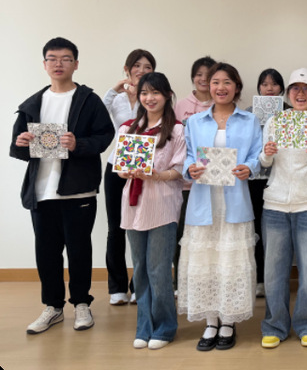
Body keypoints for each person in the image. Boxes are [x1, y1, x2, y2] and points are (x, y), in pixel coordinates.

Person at [11, 37, 114, 334]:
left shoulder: (88, 100)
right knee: (46, 252)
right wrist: (21, 143)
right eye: (52, 59)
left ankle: (81, 304)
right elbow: (17, 147)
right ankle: (53, 307)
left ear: (76, 64)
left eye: (66, 59)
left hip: (78, 189)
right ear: (44, 64)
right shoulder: (32, 104)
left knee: (79, 250)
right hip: (41, 191)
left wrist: (78, 144)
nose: (59, 64)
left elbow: (105, 136)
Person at [180, 62, 262, 351]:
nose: (220, 87)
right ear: (207, 86)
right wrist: (190, 169)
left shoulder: (249, 121)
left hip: (235, 200)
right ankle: (210, 321)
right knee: (205, 262)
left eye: (227, 82)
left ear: (236, 87)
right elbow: (187, 156)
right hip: (203, 200)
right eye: (215, 82)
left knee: (231, 262)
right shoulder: (195, 121)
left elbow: (257, 156)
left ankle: (228, 321)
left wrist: (249, 168)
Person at [259, 68, 307, 349]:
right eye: (295, 88)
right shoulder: (274, 121)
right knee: (273, 271)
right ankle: (274, 325)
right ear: (288, 93)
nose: (300, 94)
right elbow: (264, 164)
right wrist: (266, 154)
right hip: (275, 204)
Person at [118, 72, 186, 350]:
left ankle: (165, 328)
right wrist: (126, 171)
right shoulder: (128, 129)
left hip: (162, 204)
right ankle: (144, 327)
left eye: (155, 92)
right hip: (133, 205)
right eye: (145, 93)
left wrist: (157, 175)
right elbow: (120, 170)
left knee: (159, 269)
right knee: (141, 270)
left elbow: (180, 170)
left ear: (167, 95)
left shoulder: (177, 130)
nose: (149, 98)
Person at [102, 49, 156, 305]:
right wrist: (115, 89)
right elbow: (97, 115)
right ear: (127, 69)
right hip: (117, 166)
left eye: (147, 67)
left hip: (144, 168)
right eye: (137, 66)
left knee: (141, 226)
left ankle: (139, 285)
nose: (141, 71)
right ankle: (117, 287)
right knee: (116, 228)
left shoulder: (153, 98)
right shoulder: (117, 99)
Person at [173, 56, 216, 292]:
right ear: (193, 78)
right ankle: (180, 283)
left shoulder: (221, 105)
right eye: (199, 74)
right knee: (182, 235)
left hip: (215, 183)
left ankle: (207, 283)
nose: (203, 79)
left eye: (208, 75)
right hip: (184, 184)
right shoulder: (181, 105)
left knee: (209, 236)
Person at [247, 67, 285, 298]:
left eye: (274, 84)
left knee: (274, 232)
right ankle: (259, 278)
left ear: (281, 88)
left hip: (279, 179)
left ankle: (273, 280)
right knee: (255, 230)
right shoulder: (248, 114)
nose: (269, 88)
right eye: (265, 84)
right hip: (253, 179)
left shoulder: (290, 113)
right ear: (259, 88)